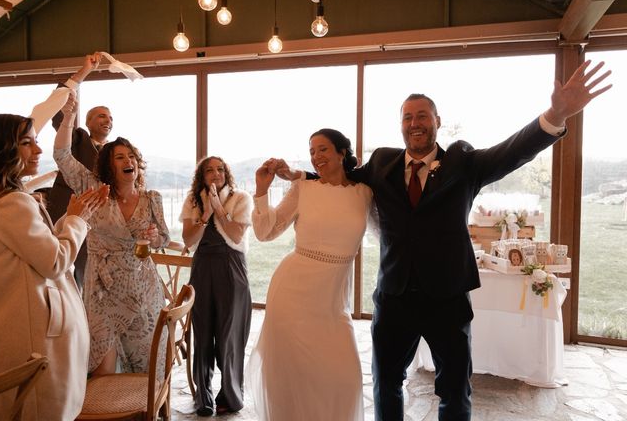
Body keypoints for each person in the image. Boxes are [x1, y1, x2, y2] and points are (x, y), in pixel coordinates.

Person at [286, 60, 611, 421]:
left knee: (455, 391)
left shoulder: (463, 162)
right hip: (394, 298)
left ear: (437, 121)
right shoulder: (381, 163)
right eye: (408, 117)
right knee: (386, 384)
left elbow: (512, 151)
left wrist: (555, 114)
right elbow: (341, 176)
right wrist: (301, 174)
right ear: (401, 125)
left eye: (422, 115)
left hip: (447, 300)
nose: (415, 123)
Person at [0, 114, 108, 420]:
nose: (38, 151)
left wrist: (70, 218)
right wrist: (78, 220)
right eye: (27, 143)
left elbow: (34, 249)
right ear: (2, 150)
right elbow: (54, 261)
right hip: (32, 339)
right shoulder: (9, 203)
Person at [246, 128, 373, 421]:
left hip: (333, 305)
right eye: (312, 151)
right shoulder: (303, 189)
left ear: (342, 152)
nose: (316, 156)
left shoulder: (365, 193)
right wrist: (262, 191)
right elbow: (265, 232)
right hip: (292, 299)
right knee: (294, 380)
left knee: (345, 378)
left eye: (323, 149)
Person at [53, 97, 169, 375]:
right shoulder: (93, 189)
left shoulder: (152, 198)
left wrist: (154, 238)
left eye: (131, 157)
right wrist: (68, 118)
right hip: (103, 290)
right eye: (120, 157)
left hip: (143, 290)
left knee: (145, 369)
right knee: (103, 369)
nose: (128, 160)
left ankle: (146, 413)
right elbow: (62, 156)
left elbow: (163, 238)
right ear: (109, 166)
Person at [180, 156, 254, 416]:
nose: (215, 174)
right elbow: (189, 240)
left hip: (231, 267)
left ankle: (230, 395)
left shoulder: (241, 198)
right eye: (209, 170)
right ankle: (203, 397)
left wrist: (219, 210)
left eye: (220, 169)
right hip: (202, 268)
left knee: (229, 335)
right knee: (202, 334)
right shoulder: (192, 200)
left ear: (227, 173)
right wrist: (205, 215)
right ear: (201, 175)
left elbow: (235, 235)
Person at [46, 52, 113, 288]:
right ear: (87, 122)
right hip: (70, 216)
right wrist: (82, 73)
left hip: (102, 228)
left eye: (110, 117)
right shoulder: (77, 139)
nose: (108, 119)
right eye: (101, 115)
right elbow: (57, 113)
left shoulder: (115, 155)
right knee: (67, 277)